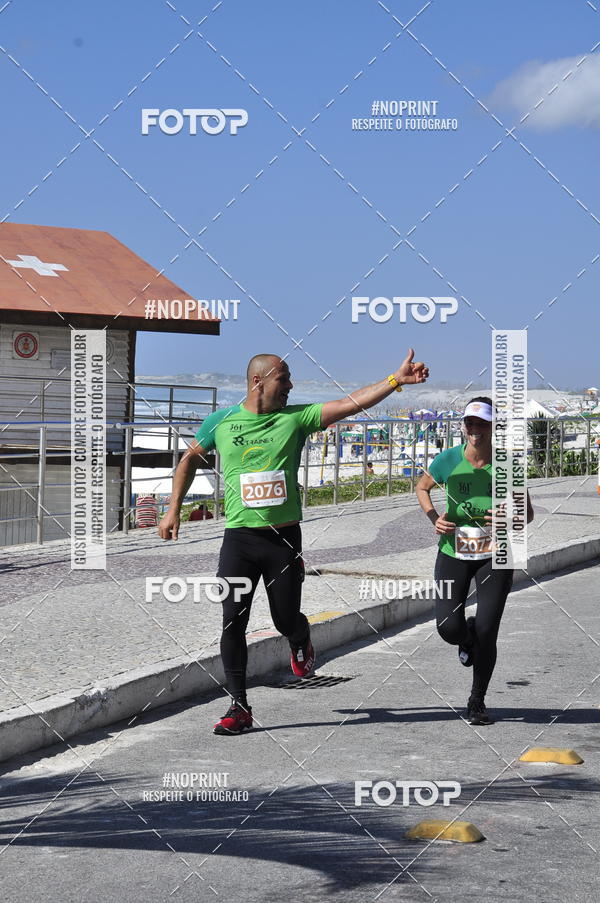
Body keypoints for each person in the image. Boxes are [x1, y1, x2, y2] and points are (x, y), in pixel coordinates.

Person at [159, 350, 429, 735]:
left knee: (285, 618)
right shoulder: (221, 422)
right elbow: (187, 460)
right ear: (259, 382)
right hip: (238, 540)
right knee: (232, 622)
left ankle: (300, 638)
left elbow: (349, 404)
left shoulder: (295, 419)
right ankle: (238, 707)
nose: (290, 386)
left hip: (282, 540)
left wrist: (395, 380)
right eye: (283, 378)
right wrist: (173, 511)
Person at [415, 397, 534, 726]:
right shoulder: (448, 460)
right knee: (448, 628)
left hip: (495, 557)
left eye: (481, 423)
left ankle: (477, 700)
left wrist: (509, 515)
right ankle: (465, 638)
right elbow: (422, 487)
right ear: (463, 426)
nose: (475, 429)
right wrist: (434, 518)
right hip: (454, 552)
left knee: (487, 629)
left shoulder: (507, 466)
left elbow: (528, 514)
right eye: (470, 423)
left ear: (493, 427)